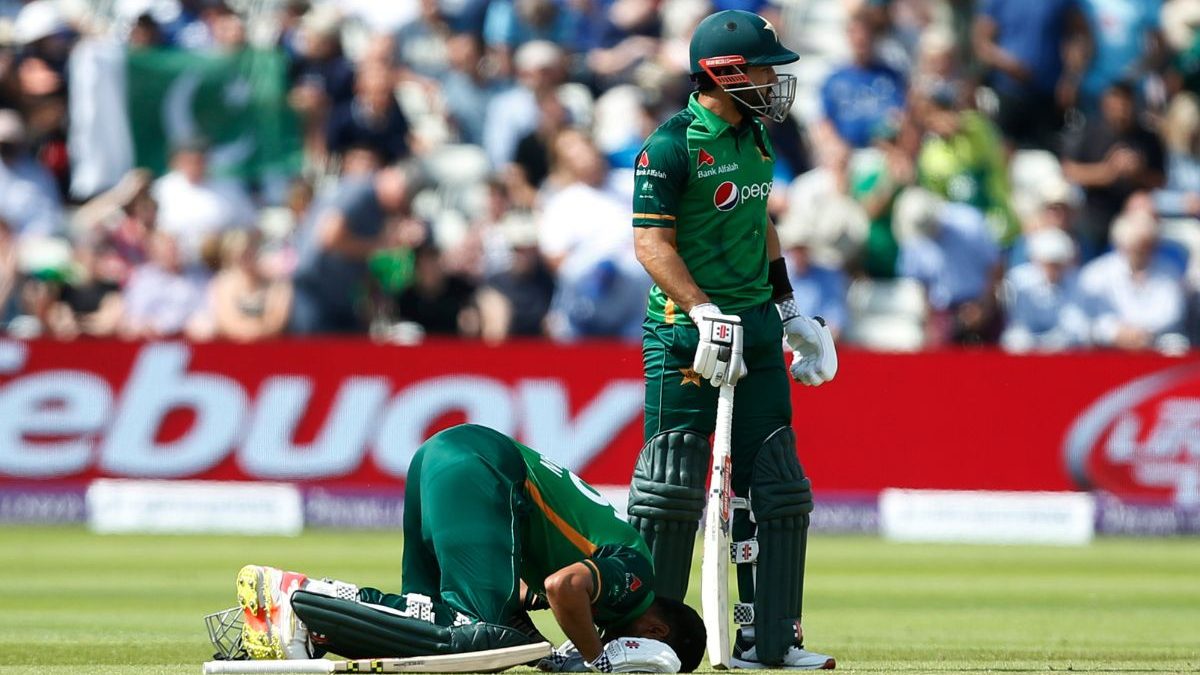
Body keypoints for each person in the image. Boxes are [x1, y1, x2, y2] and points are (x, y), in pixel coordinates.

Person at [626, 10, 837, 670]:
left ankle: (768, 639)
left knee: (775, 483)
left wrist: (791, 309)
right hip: (685, 336)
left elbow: (760, 226)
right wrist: (703, 309)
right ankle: (644, 638)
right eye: (766, 69)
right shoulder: (670, 145)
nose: (776, 82)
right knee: (672, 486)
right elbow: (650, 244)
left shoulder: (757, 139)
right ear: (725, 72)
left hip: (758, 328)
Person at [212, 424, 705, 674]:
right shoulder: (636, 576)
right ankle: (302, 596)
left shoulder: (616, 568)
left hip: (445, 458)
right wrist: (596, 661)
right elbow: (564, 588)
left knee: (432, 638)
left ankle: (314, 631)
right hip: (484, 467)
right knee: (479, 636)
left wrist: (542, 654)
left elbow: (524, 594)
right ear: (655, 632)